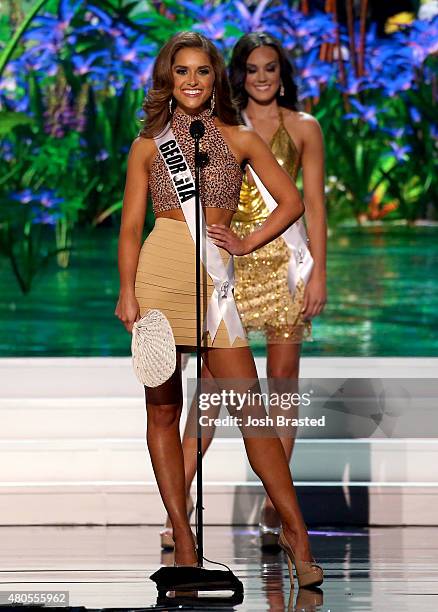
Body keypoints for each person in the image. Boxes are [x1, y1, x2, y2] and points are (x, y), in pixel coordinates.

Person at [115, 31, 323, 587]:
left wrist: (249, 241)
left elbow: (293, 202)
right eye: (181, 71)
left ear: (215, 80)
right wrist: (127, 290)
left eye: (201, 71)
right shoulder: (147, 147)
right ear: (167, 79)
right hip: (158, 279)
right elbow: (131, 226)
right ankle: (183, 538)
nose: (191, 80)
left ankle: (295, 534)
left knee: (250, 412)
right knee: (162, 412)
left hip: (215, 283)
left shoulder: (240, 138)